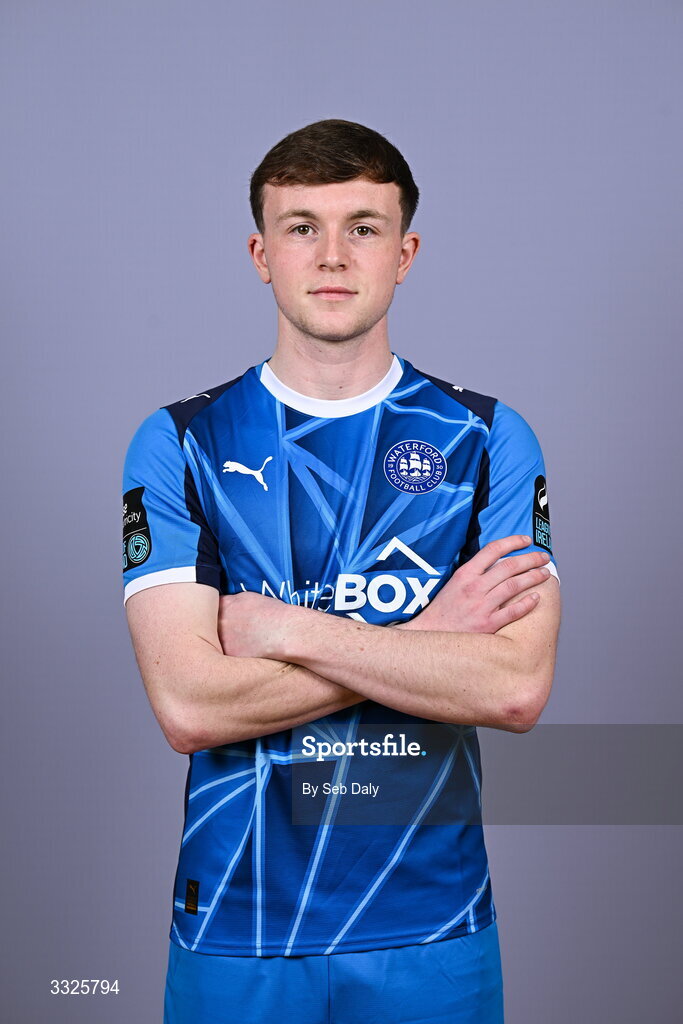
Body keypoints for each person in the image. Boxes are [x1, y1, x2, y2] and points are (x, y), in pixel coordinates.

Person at [122, 119, 561, 1024]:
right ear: (260, 253)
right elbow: (191, 707)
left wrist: (284, 629)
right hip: (236, 929)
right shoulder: (180, 443)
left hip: (432, 927)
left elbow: (515, 686)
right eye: (300, 227)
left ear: (403, 253)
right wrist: (429, 640)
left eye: (361, 227)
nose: (331, 254)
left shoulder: (486, 440)